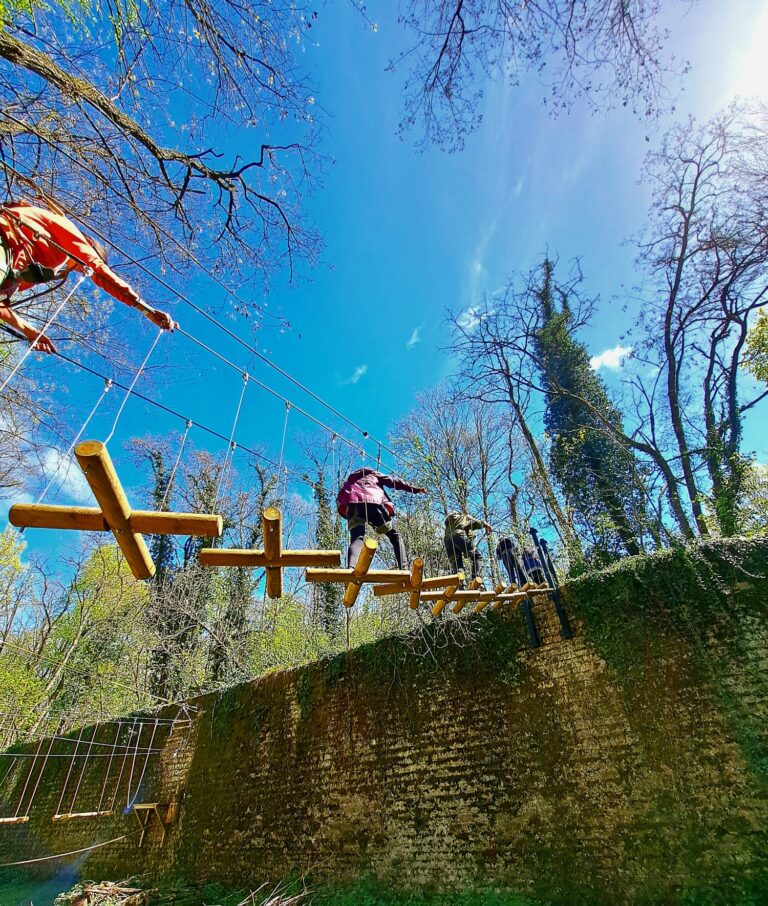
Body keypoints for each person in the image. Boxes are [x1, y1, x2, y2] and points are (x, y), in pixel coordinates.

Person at [0, 200, 177, 353]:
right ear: (90, 244)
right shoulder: (69, 231)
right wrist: (146, 309)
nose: (81, 270)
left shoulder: (42, 255)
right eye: (83, 265)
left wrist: (29, 331)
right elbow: (99, 271)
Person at [337, 468, 425, 569]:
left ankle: (351, 567)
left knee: (357, 537)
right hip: (374, 502)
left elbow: (341, 497)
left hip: (353, 505)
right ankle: (404, 568)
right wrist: (415, 489)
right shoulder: (373, 474)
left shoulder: (350, 481)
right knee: (395, 536)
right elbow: (394, 482)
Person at [443, 512, 492, 583]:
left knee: (457, 563)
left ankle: (460, 584)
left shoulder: (449, 524)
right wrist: (485, 525)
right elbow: (474, 523)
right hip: (458, 535)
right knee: (477, 557)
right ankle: (475, 579)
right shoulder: (462, 517)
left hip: (447, 540)